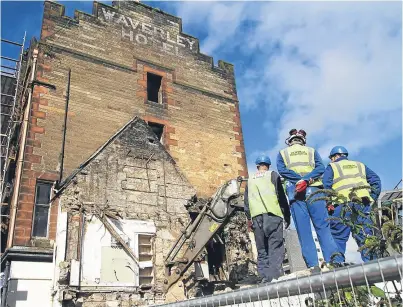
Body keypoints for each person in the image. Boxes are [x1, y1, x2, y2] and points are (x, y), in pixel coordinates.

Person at [277, 129, 344, 270]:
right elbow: (320, 168)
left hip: (295, 193)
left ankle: (313, 266)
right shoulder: (311, 151)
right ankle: (335, 262)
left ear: (290, 141)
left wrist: (299, 181)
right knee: (323, 228)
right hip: (314, 190)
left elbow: (282, 170)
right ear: (303, 140)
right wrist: (307, 180)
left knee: (304, 231)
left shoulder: (283, 153)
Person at [323, 146, 381, 262]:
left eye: (331, 158)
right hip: (362, 205)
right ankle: (373, 266)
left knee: (338, 238)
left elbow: (326, 187)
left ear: (335, 156)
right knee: (365, 235)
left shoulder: (332, 166)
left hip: (341, 206)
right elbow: (376, 180)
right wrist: (371, 198)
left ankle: (337, 267)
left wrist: (328, 203)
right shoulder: (359, 165)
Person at [244, 154, 291, 283]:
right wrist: (287, 215)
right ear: (268, 165)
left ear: (257, 165)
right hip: (273, 216)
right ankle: (275, 278)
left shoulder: (250, 179)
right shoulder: (272, 175)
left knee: (262, 249)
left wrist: (249, 219)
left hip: (257, 218)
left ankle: (264, 278)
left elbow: (246, 203)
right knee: (275, 247)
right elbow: (281, 197)